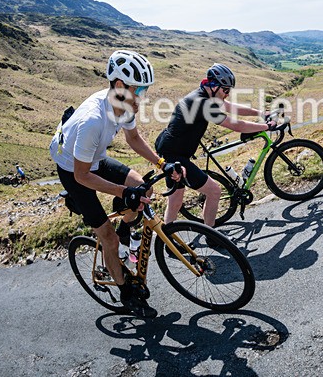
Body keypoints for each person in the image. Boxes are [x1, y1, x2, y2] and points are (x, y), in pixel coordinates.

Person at [50, 50, 178, 318]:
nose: (143, 96)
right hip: (72, 169)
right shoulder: (92, 121)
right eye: (140, 89)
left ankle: (123, 232)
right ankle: (125, 291)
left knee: (144, 187)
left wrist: (161, 163)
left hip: (94, 159)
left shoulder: (123, 104)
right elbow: (82, 176)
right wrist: (123, 192)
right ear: (120, 86)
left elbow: (134, 139)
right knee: (106, 236)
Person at [155, 63, 276, 228]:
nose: (227, 94)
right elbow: (235, 125)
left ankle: (168, 238)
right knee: (214, 191)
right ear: (214, 86)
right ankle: (211, 236)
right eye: (225, 90)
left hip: (174, 150)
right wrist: (267, 126)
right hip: (174, 155)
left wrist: (261, 113)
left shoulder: (208, 95)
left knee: (175, 200)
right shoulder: (201, 102)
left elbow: (230, 107)